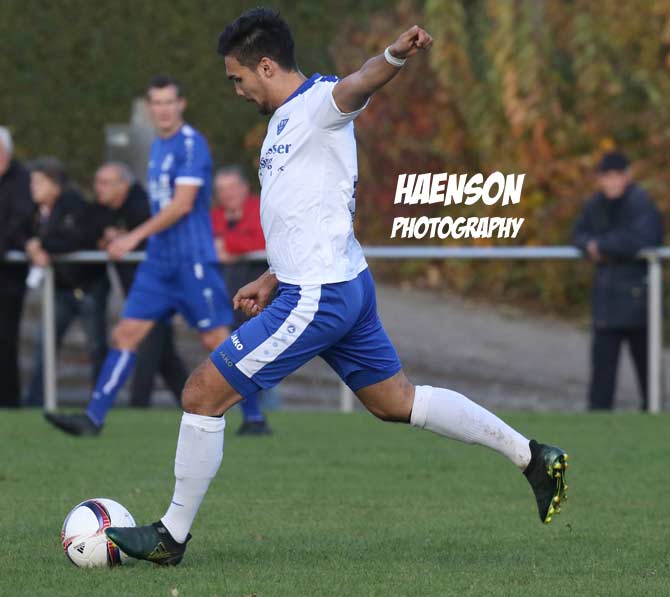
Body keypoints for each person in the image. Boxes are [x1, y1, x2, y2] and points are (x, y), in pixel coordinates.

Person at [106, 10, 570, 565]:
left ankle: (171, 536)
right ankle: (533, 456)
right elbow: (307, 208)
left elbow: (359, 82)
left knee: (202, 393)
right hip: (337, 283)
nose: (237, 90)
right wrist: (272, 275)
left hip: (318, 296)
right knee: (396, 402)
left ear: (266, 66)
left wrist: (394, 55)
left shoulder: (320, 103)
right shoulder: (284, 121)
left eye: (238, 78)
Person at [44, 75, 254, 435]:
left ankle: (255, 418)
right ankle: (93, 418)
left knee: (216, 340)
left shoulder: (191, 145)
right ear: (149, 107)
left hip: (191, 261)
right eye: (156, 103)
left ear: (181, 104)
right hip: (158, 264)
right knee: (126, 334)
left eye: (169, 102)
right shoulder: (158, 146)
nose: (163, 109)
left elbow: (182, 205)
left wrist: (133, 237)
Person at [93, 161, 189, 408]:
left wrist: (129, 238)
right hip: (140, 290)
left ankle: (137, 404)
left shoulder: (144, 206)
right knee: (165, 355)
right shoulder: (103, 211)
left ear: (123, 185)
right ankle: (194, 403)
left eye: (105, 183)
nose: (98, 188)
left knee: (145, 344)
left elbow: (161, 234)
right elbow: (89, 229)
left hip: (155, 288)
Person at [573, 151, 663, 410]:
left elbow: (643, 238)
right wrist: (590, 244)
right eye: (607, 176)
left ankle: (654, 417)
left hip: (640, 304)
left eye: (617, 176)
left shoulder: (641, 203)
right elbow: (578, 234)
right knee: (601, 382)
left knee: (649, 376)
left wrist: (600, 245)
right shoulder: (595, 205)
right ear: (600, 179)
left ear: (627, 176)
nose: (612, 182)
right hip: (606, 303)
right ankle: (598, 424)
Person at [24, 158, 109, 407]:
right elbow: (20, 233)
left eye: (39, 182)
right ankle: (36, 401)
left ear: (55, 185)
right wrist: (30, 245)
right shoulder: (36, 212)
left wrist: (41, 244)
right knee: (46, 346)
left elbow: (76, 239)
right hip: (60, 288)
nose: (33, 188)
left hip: (88, 287)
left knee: (96, 347)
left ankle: (101, 402)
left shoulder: (74, 206)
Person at [212, 165, 273, 434]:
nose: (227, 194)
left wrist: (229, 245)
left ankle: (258, 413)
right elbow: (207, 244)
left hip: (264, 297)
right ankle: (254, 416)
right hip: (227, 298)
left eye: (231, 187)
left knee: (253, 353)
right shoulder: (215, 215)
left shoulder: (261, 208)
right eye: (221, 189)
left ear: (244, 188)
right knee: (235, 353)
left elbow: (264, 241)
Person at [0, 127, 35, 407]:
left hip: (9, 276)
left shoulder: (22, 180)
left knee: (6, 339)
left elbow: (19, 221)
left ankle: (9, 400)